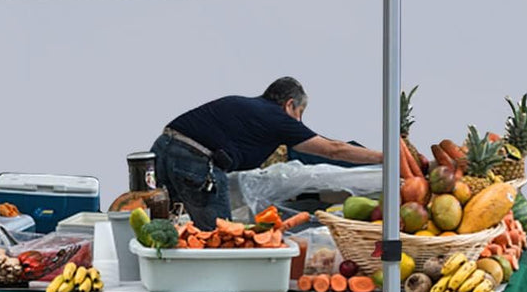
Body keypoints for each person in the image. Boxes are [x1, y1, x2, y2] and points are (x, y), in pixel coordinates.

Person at [150, 77, 383, 229]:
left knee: (159, 227)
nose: (300, 121)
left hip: (162, 147)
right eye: (300, 112)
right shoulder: (277, 118)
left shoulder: (246, 107)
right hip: (196, 161)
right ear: (290, 104)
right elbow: (334, 150)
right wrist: (385, 157)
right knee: (218, 237)